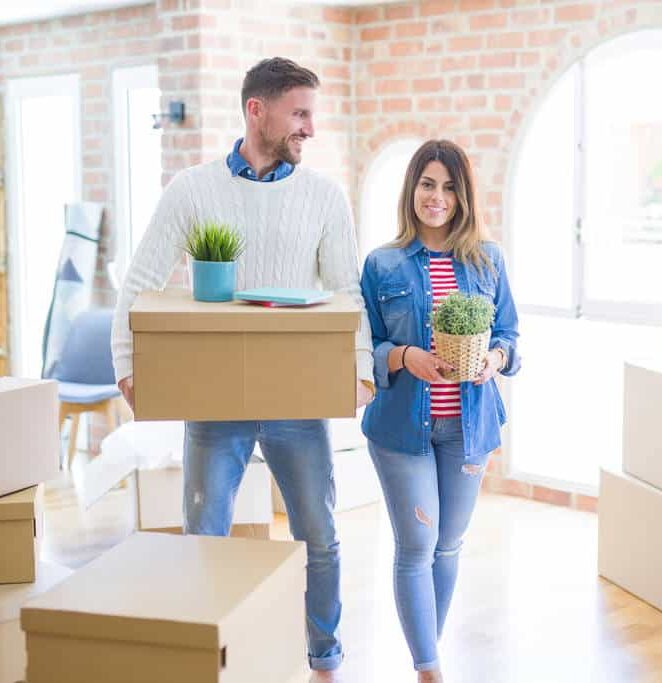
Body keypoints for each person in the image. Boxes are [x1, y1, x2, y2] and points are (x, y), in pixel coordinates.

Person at [112, 57, 375, 682]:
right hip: (214, 401)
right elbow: (141, 282)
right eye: (300, 113)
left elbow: (347, 292)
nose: (310, 128)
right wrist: (126, 364)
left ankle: (325, 659)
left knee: (320, 535)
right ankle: (208, 658)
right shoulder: (192, 190)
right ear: (257, 110)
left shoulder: (323, 195)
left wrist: (360, 369)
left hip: (298, 401)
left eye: (313, 114)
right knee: (205, 538)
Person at [359, 139, 520, 682]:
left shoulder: (487, 260)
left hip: (469, 427)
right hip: (401, 430)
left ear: (463, 195)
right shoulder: (382, 264)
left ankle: (429, 654)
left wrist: (493, 358)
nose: (437, 196)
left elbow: (510, 336)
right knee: (418, 544)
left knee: (448, 546)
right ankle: (429, 671)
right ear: (412, 190)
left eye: (449, 186)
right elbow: (365, 349)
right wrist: (406, 357)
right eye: (428, 184)